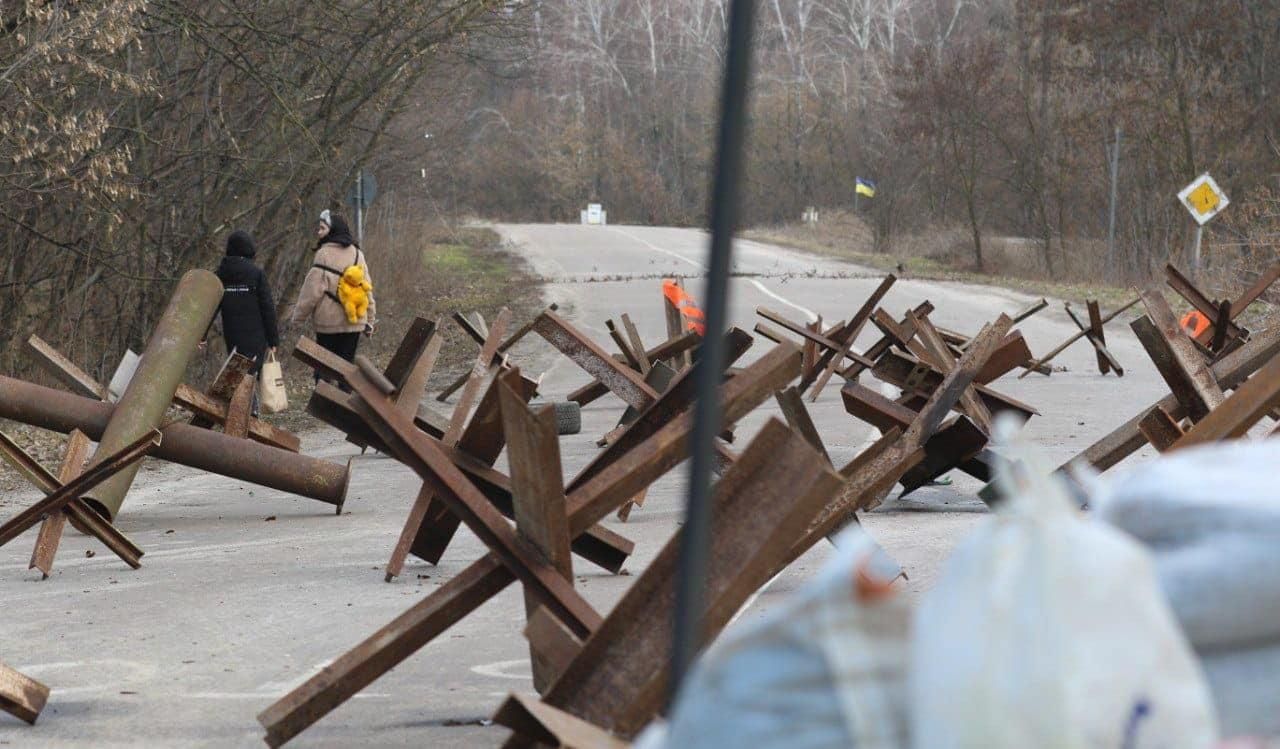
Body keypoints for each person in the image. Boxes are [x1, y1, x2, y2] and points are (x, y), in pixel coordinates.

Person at [289, 211, 375, 380]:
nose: (318, 232)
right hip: (355, 322)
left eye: (322, 228)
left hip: (327, 323)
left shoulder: (323, 254)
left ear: (332, 230)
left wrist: (298, 319)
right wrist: (370, 320)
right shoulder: (358, 254)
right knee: (347, 370)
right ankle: (344, 403)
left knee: (324, 368)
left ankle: (323, 404)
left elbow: (311, 292)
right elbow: (367, 289)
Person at [213, 230, 280, 375]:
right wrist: (273, 339)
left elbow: (211, 306)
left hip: (232, 333)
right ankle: (245, 397)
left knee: (237, 371)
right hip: (255, 334)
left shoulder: (220, 274)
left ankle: (238, 395)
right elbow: (267, 307)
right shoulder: (256, 274)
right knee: (251, 373)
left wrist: (202, 335)